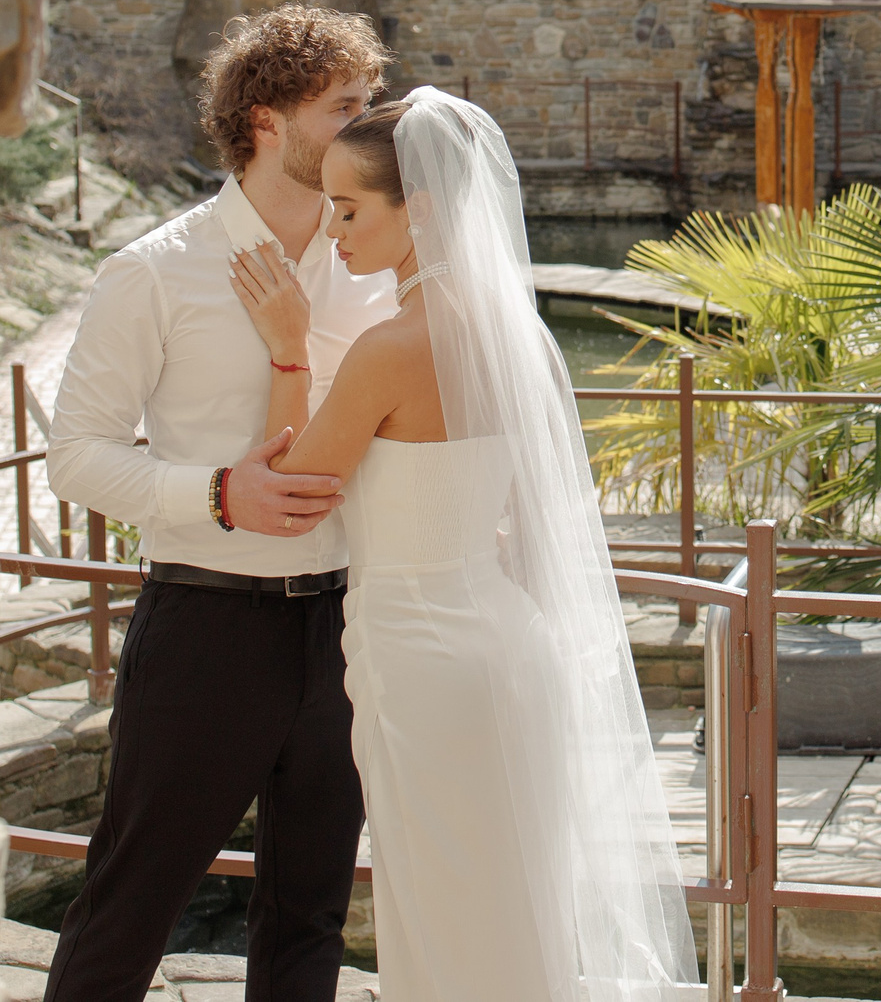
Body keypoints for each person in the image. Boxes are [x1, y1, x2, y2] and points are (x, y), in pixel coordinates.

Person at [226, 88, 695, 1002]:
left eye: (352, 208)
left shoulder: (391, 347)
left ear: (423, 209)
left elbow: (291, 499)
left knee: (439, 913)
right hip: (509, 644)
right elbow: (524, 516)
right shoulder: (518, 336)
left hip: (422, 656)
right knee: (512, 905)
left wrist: (287, 351)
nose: (334, 230)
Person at [42, 5, 398, 1002]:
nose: (367, 126)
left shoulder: (374, 265)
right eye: (344, 107)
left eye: (368, 103)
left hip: (343, 625)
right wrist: (215, 492)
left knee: (311, 917)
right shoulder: (151, 271)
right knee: (129, 903)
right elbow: (75, 458)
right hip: (203, 626)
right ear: (265, 123)